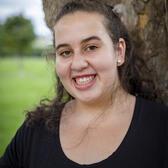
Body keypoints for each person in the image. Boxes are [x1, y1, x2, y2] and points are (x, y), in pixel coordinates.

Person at [0, 0, 168, 167]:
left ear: (119, 51)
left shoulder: (161, 128)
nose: (78, 64)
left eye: (91, 47)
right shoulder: (34, 131)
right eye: (65, 52)